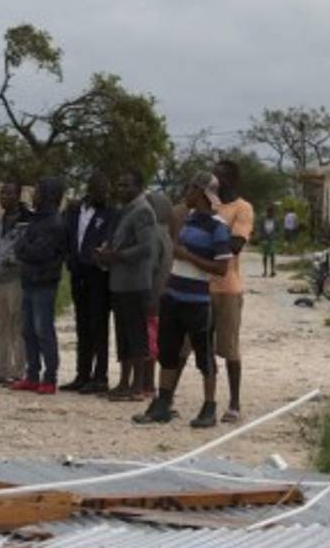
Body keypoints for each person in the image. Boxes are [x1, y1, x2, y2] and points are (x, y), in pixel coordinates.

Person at [134, 172, 232, 428]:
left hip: (197, 301)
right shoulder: (188, 219)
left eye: (188, 189)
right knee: (168, 352)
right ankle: (162, 404)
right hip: (174, 295)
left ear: (200, 193)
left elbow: (222, 269)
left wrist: (187, 256)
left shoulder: (219, 227)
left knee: (204, 357)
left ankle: (209, 407)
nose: (184, 194)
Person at [95, 169, 156, 400]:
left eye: (126, 185)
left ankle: (137, 385)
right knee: (123, 335)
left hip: (135, 283)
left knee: (136, 335)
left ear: (139, 187)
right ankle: (124, 382)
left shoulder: (142, 211)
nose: (121, 189)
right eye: (119, 185)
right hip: (120, 282)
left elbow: (146, 248)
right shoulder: (126, 210)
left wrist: (116, 256)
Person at [10, 177, 68, 395]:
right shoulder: (37, 219)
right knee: (28, 331)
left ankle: (49, 378)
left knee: (43, 330)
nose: (33, 195)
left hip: (44, 282)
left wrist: (24, 248)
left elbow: (36, 252)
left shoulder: (54, 222)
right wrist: (24, 248)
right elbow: (22, 247)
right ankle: (32, 375)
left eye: (37, 191)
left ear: (48, 195)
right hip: (30, 280)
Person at [61, 172, 117, 393]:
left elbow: (108, 239)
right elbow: (68, 236)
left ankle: (100, 376)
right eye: (102, 190)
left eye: (107, 191)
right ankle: (82, 374)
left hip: (98, 276)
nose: (106, 195)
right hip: (78, 274)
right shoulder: (74, 210)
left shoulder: (111, 213)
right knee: (82, 326)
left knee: (99, 326)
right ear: (91, 190)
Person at [209, 158, 255, 423]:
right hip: (202, 285)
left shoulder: (242, 208)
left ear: (231, 180)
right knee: (200, 346)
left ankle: (235, 401)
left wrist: (209, 235)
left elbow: (235, 245)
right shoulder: (209, 208)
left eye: (219, 176)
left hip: (227, 288)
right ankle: (209, 399)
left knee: (229, 348)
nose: (215, 181)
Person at [0, 182, 29, 384]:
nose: (4, 197)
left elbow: (29, 250)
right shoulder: (0, 220)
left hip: (17, 279)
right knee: (0, 326)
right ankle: (2, 370)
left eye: (9, 193)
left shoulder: (27, 222)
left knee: (17, 326)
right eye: (2, 193)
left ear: (18, 196)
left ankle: (18, 372)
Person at [145, 189, 174, 396]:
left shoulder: (154, 234)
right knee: (155, 339)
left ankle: (146, 383)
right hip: (163, 293)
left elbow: (150, 267)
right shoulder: (166, 233)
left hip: (151, 294)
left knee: (148, 340)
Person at [260, 204, 278, 277]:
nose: (270, 213)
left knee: (272, 255)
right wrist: (262, 237)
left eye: (271, 212)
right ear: (267, 212)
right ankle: (265, 271)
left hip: (272, 239)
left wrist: (275, 236)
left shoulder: (275, 220)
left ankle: (272, 270)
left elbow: (277, 229)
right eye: (269, 212)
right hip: (265, 239)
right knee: (265, 255)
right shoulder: (263, 220)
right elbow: (261, 229)